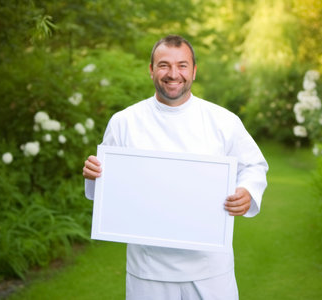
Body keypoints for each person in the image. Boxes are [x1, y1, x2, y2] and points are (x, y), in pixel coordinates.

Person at [83, 35, 268, 300]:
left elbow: (253, 165)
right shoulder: (125, 122)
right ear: (151, 70)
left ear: (194, 71)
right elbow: (105, 190)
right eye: (163, 65)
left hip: (211, 267)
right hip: (148, 270)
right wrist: (94, 175)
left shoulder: (223, 121)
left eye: (182, 65)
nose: (173, 74)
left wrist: (246, 191)